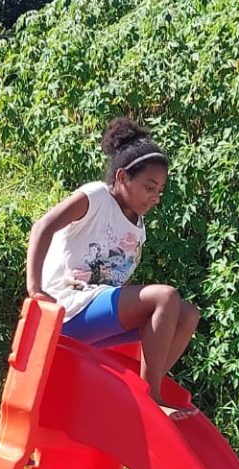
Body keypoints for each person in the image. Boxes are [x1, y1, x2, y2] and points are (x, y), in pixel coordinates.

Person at [25, 116, 199, 418]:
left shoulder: (137, 225)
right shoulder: (96, 197)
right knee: (165, 296)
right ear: (121, 177)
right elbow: (43, 226)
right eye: (149, 187)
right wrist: (35, 288)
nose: (155, 198)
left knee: (187, 314)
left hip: (94, 318)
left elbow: (118, 280)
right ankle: (151, 397)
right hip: (68, 307)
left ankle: (142, 389)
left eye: (160, 190)